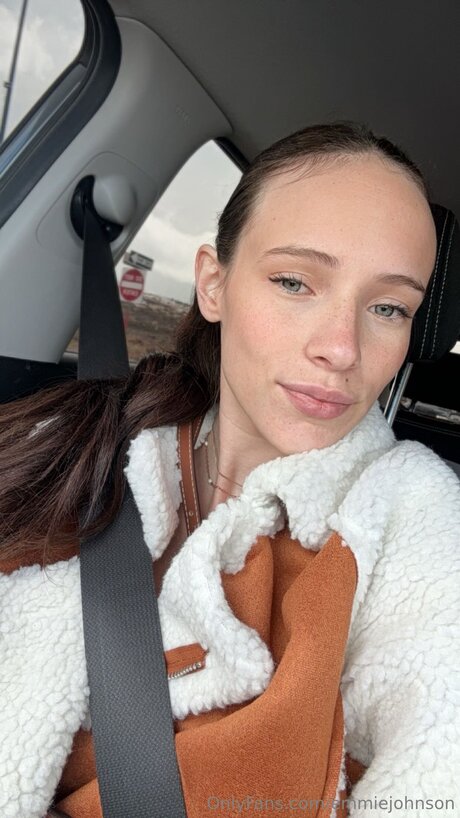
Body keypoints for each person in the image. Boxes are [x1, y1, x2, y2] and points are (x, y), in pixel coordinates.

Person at [0, 122, 459, 818]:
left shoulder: (411, 519)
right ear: (214, 285)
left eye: (389, 307)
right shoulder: (72, 436)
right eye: (295, 282)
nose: (341, 348)